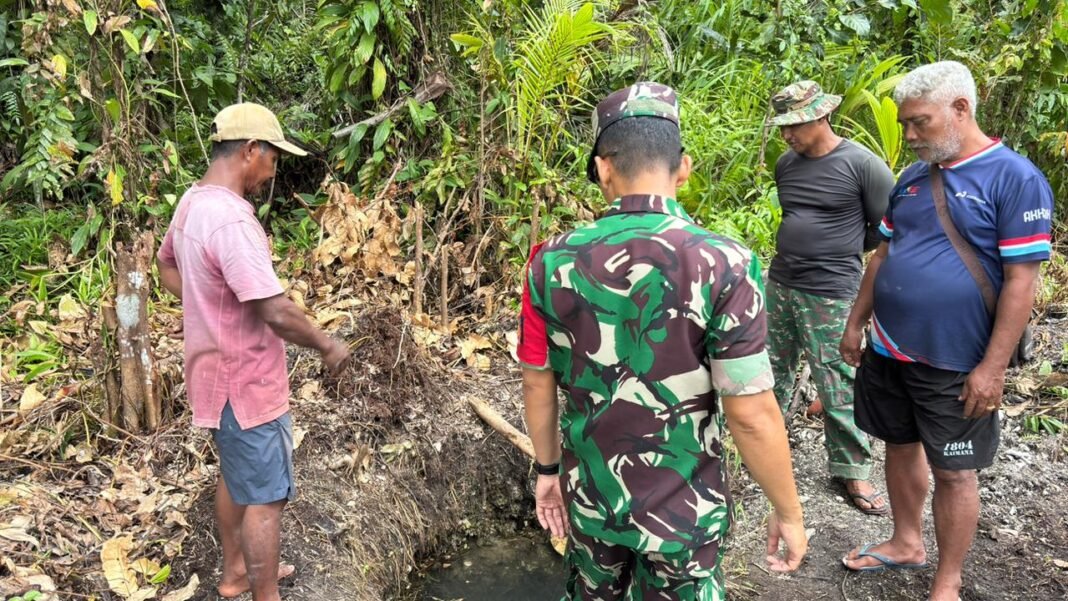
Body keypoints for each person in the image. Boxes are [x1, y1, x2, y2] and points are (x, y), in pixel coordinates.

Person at [517, 82, 807, 600]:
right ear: (684, 168)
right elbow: (750, 413)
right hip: (685, 513)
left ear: (603, 169)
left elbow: (537, 382)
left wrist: (547, 471)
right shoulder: (727, 264)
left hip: (593, 501)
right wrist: (788, 512)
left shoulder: (549, 262)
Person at [839, 62, 1053, 601]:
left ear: (961, 109)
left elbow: (1022, 282)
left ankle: (948, 581)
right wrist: (856, 321)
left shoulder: (1015, 178)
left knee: (955, 471)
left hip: (956, 357)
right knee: (898, 444)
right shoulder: (913, 178)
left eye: (920, 122)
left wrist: (992, 368)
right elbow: (882, 255)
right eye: (905, 124)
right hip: (890, 347)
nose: (910, 136)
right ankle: (906, 541)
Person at [156, 103, 351, 601]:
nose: (273, 170)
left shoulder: (193, 202)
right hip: (246, 383)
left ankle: (236, 572)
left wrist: (207, 306)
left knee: (236, 475)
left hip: (211, 376)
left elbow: (167, 265)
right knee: (266, 496)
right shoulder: (232, 222)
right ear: (249, 151)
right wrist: (327, 344)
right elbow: (276, 311)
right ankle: (266, 594)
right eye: (273, 158)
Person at [766, 80, 895, 515]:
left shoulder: (863, 165)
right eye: (783, 127)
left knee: (838, 380)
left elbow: (884, 231)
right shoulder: (786, 164)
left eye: (795, 125)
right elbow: (793, 215)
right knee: (771, 371)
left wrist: (838, 249)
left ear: (822, 116)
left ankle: (853, 470)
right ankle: (764, 450)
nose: (787, 135)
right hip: (781, 283)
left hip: (831, 290)